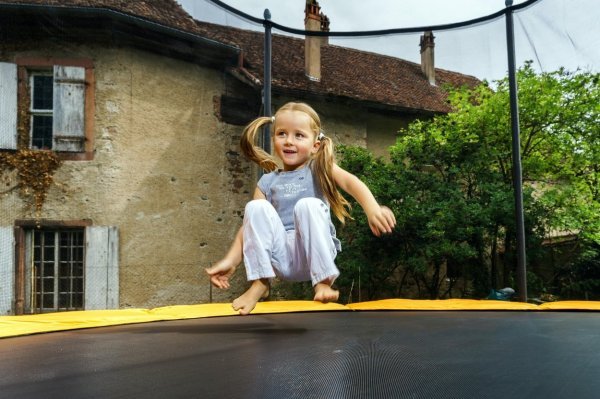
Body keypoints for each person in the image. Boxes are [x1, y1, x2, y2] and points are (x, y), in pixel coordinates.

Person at [206, 102, 396, 315]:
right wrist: (232, 260)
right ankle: (261, 282)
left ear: (315, 145)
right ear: (273, 139)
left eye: (299, 135)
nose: (289, 141)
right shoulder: (267, 182)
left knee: (307, 205)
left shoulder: (318, 169)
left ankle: (323, 281)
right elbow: (251, 227)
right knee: (255, 207)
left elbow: (351, 183)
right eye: (282, 134)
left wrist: (373, 209)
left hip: (312, 251)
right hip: (281, 258)